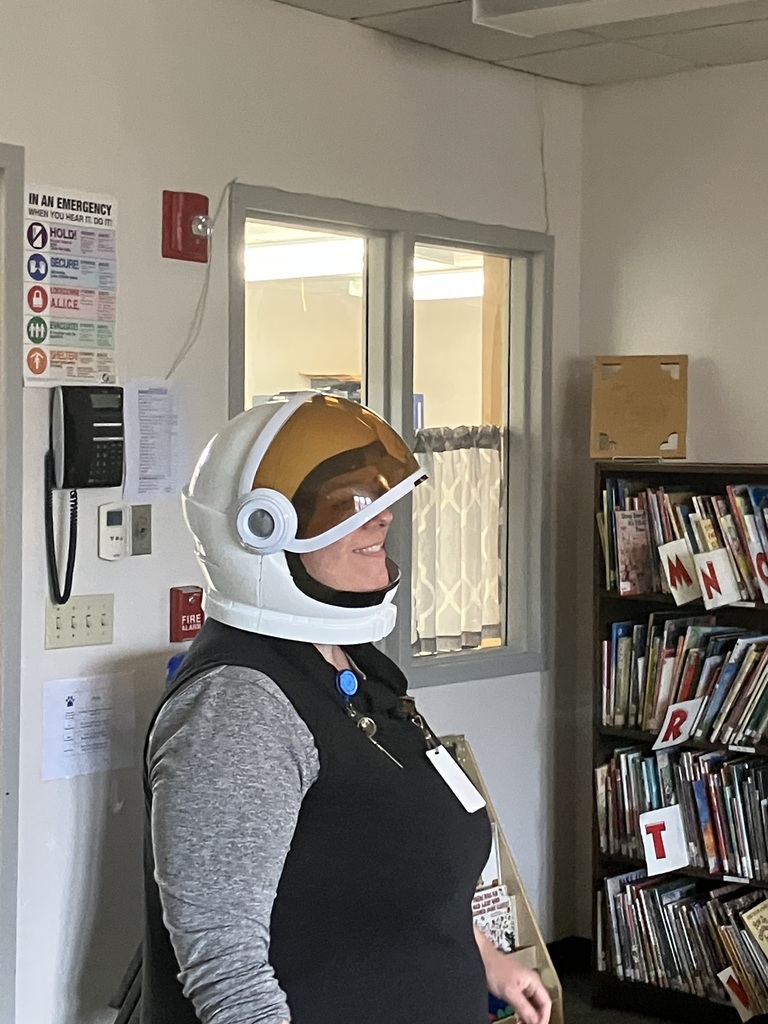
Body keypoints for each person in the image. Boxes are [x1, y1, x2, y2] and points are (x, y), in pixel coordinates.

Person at [141, 392, 551, 1024]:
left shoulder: (360, 666)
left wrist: (481, 958)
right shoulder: (239, 708)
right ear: (259, 531)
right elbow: (225, 969)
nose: (382, 520)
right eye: (343, 507)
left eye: (381, 502)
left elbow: (381, 873)